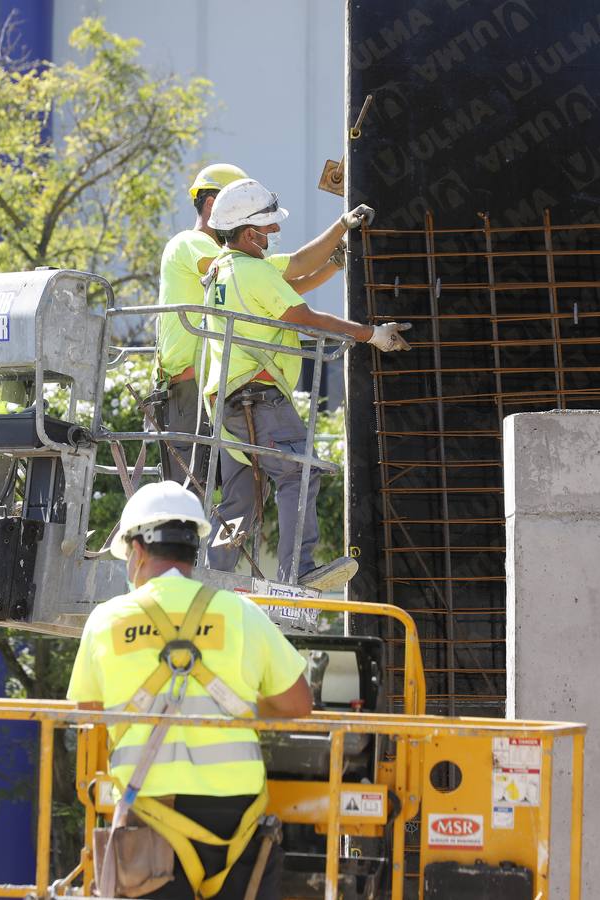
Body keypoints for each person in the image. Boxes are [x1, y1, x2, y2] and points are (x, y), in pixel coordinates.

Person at [68, 481, 313, 899]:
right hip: (236, 817)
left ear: (139, 552)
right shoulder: (242, 613)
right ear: (192, 551)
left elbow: (87, 711)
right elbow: (298, 704)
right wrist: (242, 707)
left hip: (149, 812)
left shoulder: (107, 620)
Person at [202, 178, 412, 590]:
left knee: (241, 499)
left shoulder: (225, 268)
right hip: (258, 399)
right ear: (248, 233)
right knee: (299, 473)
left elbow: (297, 265)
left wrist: (341, 225)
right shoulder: (252, 272)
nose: (273, 234)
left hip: (227, 405)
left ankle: (210, 580)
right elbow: (303, 316)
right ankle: (296, 573)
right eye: (267, 228)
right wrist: (371, 334)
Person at [156, 164, 353, 487]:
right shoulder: (192, 245)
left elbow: (275, 288)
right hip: (194, 382)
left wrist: (330, 265)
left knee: (240, 490)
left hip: (221, 378)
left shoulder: (240, 263)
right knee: (193, 486)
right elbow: (269, 282)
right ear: (212, 205)